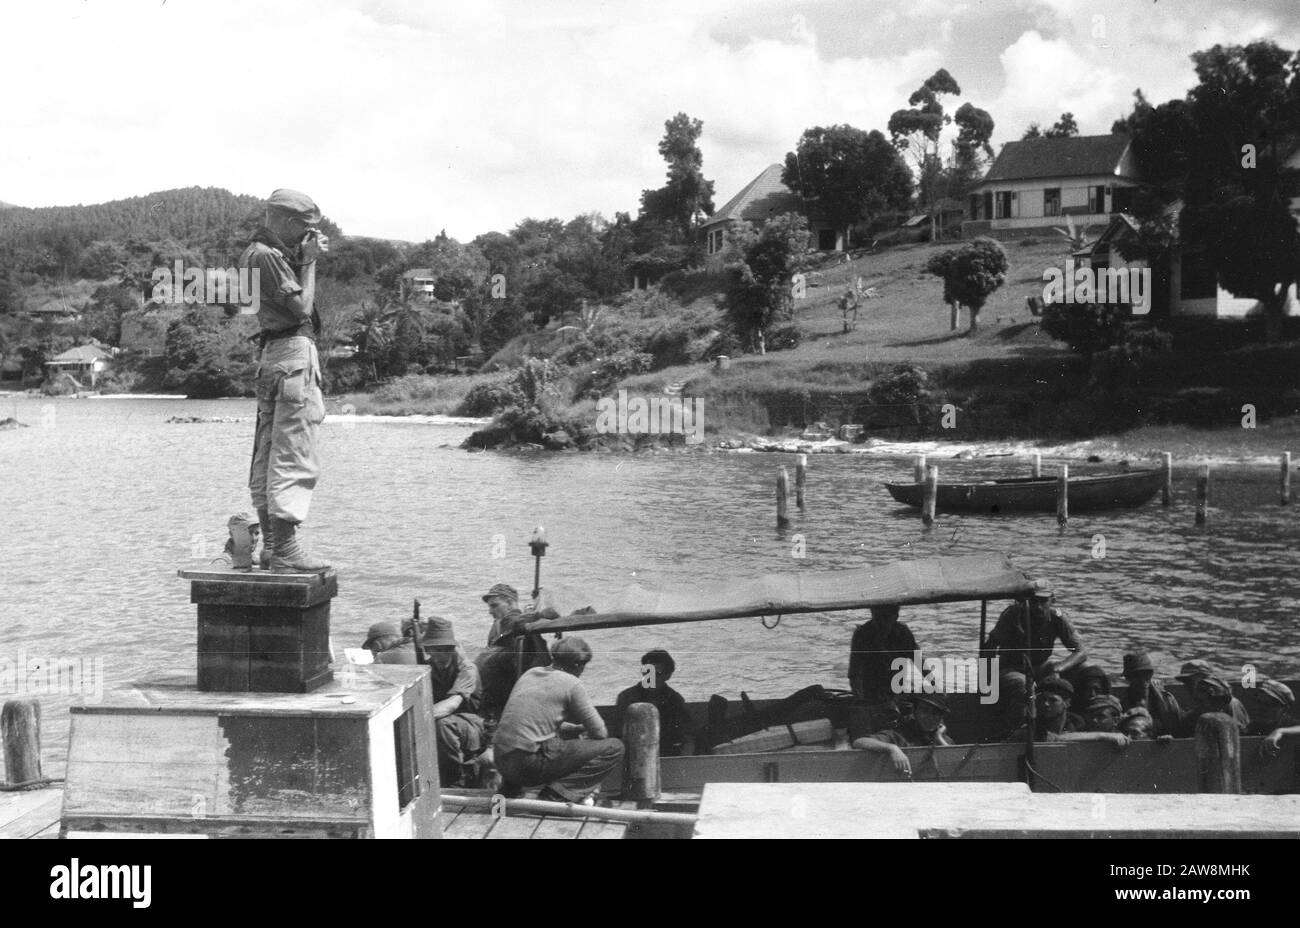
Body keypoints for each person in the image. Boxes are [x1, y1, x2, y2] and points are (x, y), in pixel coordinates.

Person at [243, 188, 330, 573]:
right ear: (288, 221)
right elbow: (301, 309)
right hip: (293, 354)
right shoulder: (268, 257)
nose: (303, 237)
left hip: (273, 358)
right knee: (293, 451)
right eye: (302, 229)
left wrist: (299, 257)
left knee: (267, 454)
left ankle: (273, 547)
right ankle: (286, 550)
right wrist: (309, 263)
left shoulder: (254, 254)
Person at [493, 637, 624, 804]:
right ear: (578, 665)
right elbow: (600, 733)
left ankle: (511, 789)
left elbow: (532, 720)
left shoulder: (531, 673)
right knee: (614, 747)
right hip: (525, 766)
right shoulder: (572, 683)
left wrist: (572, 729)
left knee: (547, 740)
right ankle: (558, 795)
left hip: (502, 762)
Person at [420, 617, 485, 787]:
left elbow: (452, 704)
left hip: (471, 723)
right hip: (442, 721)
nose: (443, 655)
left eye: (447, 649)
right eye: (437, 649)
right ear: (428, 650)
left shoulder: (467, 669)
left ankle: (455, 780)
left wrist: (418, 718)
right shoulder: (425, 668)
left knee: (442, 724)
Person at [980, 581, 1087, 680]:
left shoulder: (1058, 618)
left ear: (1053, 600)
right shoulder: (1013, 614)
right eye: (1033, 601)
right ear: (1026, 601)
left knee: (1086, 671)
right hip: (1012, 668)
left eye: (1043, 601)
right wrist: (988, 678)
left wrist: (1058, 668)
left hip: (1040, 667)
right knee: (1020, 683)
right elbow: (990, 647)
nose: (1038, 606)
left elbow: (1080, 652)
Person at [474, 582, 552, 718]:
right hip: (500, 690)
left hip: (513, 690)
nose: (490, 611)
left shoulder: (512, 620)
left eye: (494, 605)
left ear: (510, 603)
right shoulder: (499, 624)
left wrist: (537, 615)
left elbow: (517, 622)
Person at [847, 605, 920, 736]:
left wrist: (934, 685)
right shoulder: (862, 634)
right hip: (870, 694)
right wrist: (861, 699)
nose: (881, 623)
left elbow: (919, 662)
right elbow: (854, 674)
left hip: (897, 691)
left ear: (895, 617)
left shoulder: (903, 633)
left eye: (886, 618)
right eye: (877, 618)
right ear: (872, 614)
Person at [614, 650, 695, 757]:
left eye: (656, 674)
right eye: (647, 672)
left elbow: (686, 737)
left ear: (668, 675)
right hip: (635, 754)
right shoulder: (626, 697)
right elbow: (621, 735)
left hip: (667, 754)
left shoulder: (675, 700)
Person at [852, 692, 954, 777]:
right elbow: (859, 742)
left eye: (936, 713)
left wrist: (939, 738)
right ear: (915, 712)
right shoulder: (900, 734)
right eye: (925, 711)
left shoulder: (944, 739)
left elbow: (955, 761)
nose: (930, 717)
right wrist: (892, 748)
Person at [1173, 662, 1250, 736]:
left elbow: (1240, 736)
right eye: (1186, 682)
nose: (1188, 686)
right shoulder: (1201, 704)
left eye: (1191, 681)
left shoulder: (1230, 703)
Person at [1119, 651, 1181, 737]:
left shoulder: (1167, 701)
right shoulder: (1122, 704)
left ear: (1151, 674)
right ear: (1128, 677)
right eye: (1136, 676)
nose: (1142, 680)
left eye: (1146, 674)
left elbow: (1177, 729)